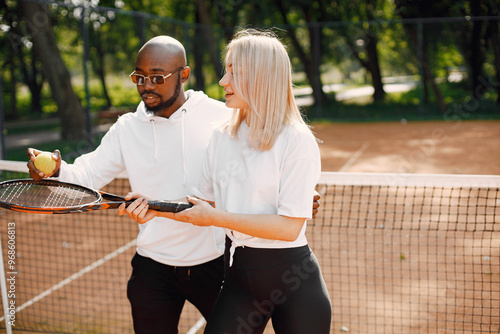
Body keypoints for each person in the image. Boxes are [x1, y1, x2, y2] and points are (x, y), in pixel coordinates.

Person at [26, 35, 321, 334]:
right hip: (158, 265)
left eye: (157, 77)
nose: (146, 85)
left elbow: (265, 177)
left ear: (184, 75)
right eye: (138, 77)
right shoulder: (133, 129)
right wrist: (58, 171)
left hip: (216, 262)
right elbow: (89, 176)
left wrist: (291, 199)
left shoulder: (224, 116)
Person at [123, 29, 331, 334]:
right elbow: (201, 205)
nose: (223, 81)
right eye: (226, 70)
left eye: (234, 72)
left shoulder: (297, 140)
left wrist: (216, 218)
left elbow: (289, 228)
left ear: (261, 77)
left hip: (296, 281)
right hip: (241, 284)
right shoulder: (221, 136)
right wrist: (153, 209)